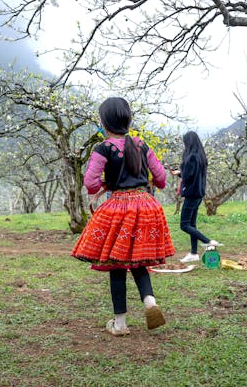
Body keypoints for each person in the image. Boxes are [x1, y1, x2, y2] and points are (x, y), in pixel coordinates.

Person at [71, 97, 175, 336]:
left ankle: (120, 324)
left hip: (119, 209)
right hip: (147, 207)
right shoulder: (143, 146)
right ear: (128, 120)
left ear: (104, 122)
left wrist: (108, 183)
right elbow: (161, 179)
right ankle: (149, 301)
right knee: (138, 260)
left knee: (116, 263)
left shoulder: (103, 149)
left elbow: (90, 183)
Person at [171, 131, 221, 263]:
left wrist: (180, 173)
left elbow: (187, 176)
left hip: (192, 194)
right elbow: (192, 174)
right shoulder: (200, 157)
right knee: (192, 224)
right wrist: (180, 172)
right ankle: (194, 253)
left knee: (184, 225)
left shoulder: (191, 157)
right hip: (199, 193)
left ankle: (208, 241)